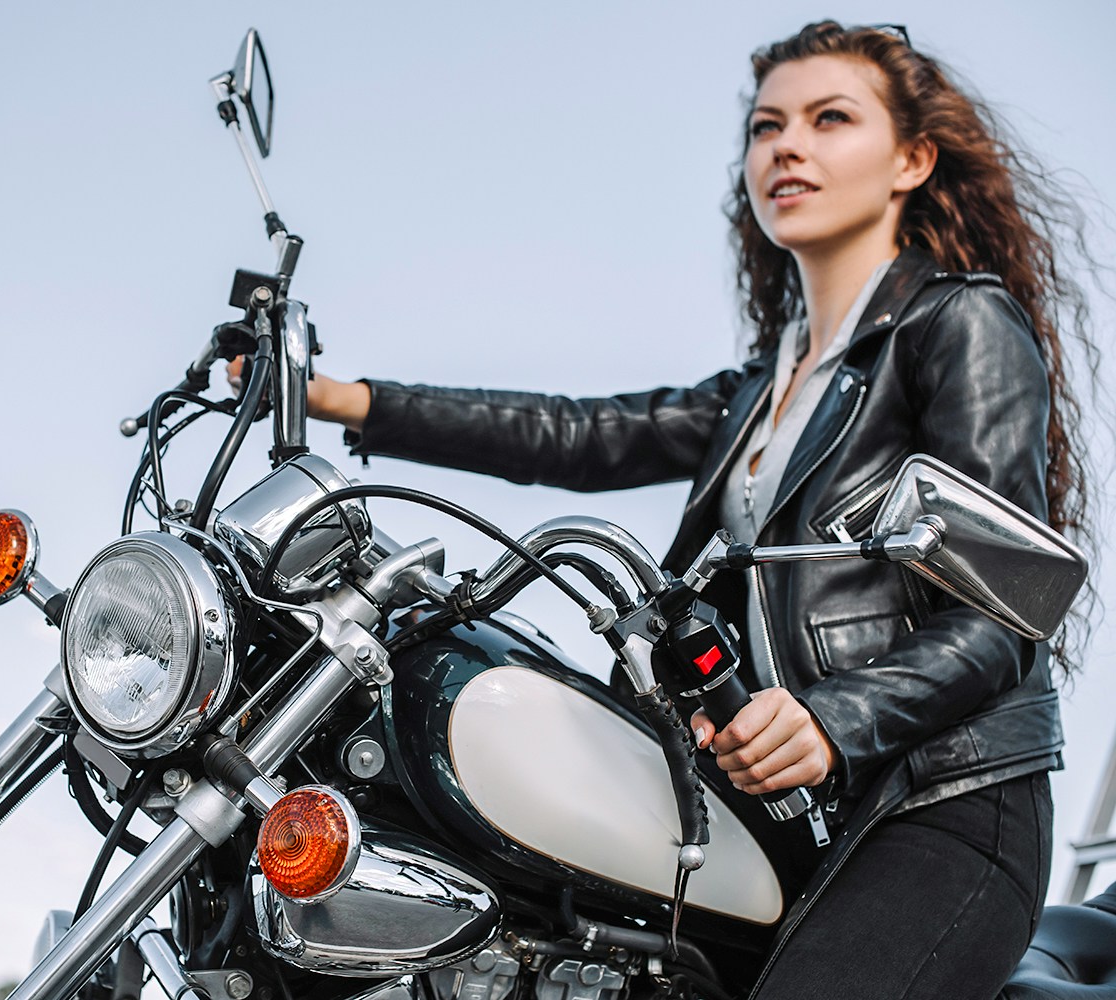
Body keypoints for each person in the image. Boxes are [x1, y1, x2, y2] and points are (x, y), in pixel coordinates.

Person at [283, 21, 1100, 1000]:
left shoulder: (958, 325)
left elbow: (1002, 612)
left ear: (911, 160)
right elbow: (576, 435)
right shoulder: (765, 388)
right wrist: (340, 398)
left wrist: (836, 718)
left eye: (828, 119)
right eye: (765, 127)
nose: (785, 146)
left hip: (941, 799)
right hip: (783, 805)